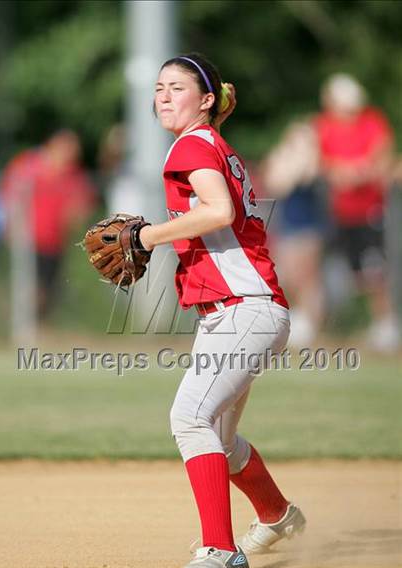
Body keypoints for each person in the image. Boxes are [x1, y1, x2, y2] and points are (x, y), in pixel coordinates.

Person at [137, 53, 306, 568]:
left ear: (206, 101)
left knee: (190, 419)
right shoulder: (211, 142)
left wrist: (148, 236)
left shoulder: (191, 144)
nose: (164, 96)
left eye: (177, 88)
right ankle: (277, 516)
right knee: (222, 441)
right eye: (159, 88)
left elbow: (218, 211)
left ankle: (221, 552)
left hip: (243, 311)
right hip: (243, 311)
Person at [315, 73, 399, 351]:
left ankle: (386, 324)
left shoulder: (371, 122)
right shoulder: (325, 125)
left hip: (369, 209)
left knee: (374, 270)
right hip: (340, 212)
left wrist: (357, 172)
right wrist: (341, 171)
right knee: (355, 273)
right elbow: (322, 161)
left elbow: (382, 159)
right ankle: (354, 322)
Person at [0, 129, 97, 319]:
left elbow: (83, 203)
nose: (72, 153)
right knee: (29, 288)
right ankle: (17, 324)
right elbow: (9, 196)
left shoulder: (73, 174)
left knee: (48, 291)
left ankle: (32, 326)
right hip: (27, 240)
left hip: (54, 242)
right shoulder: (29, 166)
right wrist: (10, 225)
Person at [261, 120, 326, 349]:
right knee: (287, 276)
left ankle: (310, 324)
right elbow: (278, 185)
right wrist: (291, 160)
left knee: (308, 278)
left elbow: (307, 175)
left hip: (309, 228)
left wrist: (303, 158)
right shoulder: (282, 158)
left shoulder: (314, 160)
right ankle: (298, 318)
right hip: (287, 226)